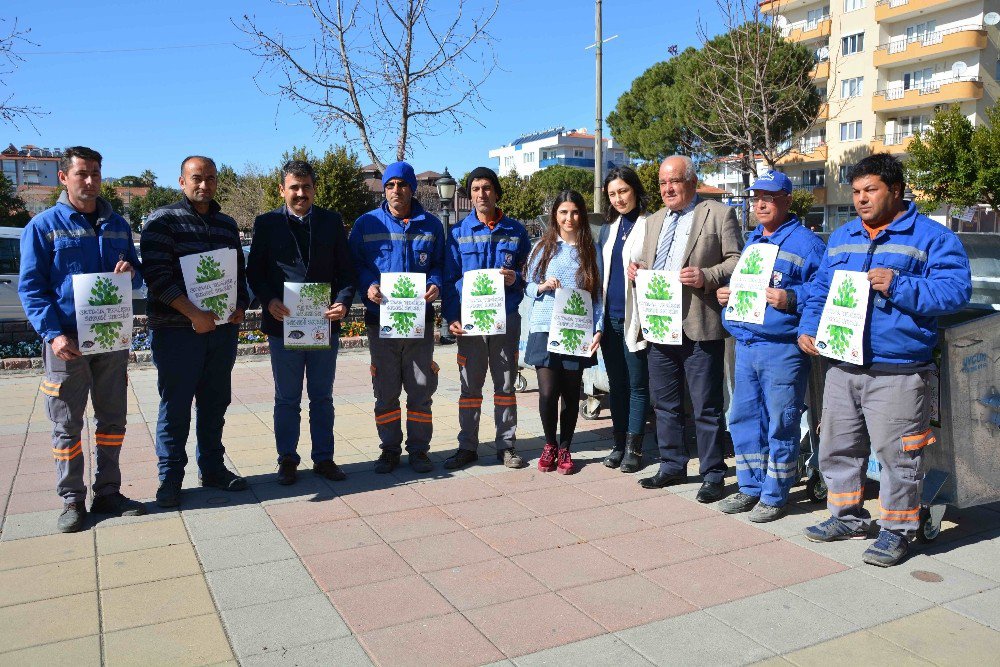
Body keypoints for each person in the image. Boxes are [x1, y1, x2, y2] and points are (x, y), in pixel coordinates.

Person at [798, 153, 971, 566]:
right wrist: (808, 326)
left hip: (898, 369)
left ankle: (898, 531)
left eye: (870, 190)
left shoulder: (932, 237)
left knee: (898, 456)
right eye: (856, 191)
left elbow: (954, 292)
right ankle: (847, 516)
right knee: (837, 446)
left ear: (895, 190)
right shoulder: (841, 238)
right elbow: (821, 290)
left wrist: (900, 285)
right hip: (842, 365)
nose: (861, 199)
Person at [18, 146, 146, 532]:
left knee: (112, 419)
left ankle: (108, 492)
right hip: (67, 342)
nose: (90, 181)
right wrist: (52, 335)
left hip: (110, 337)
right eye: (81, 174)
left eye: (95, 173)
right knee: (66, 423)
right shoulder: (43, 226)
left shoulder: (119, 224)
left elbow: (137, 277)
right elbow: (32, 288)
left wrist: (129, 272)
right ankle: (72, 499)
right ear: (63, 177)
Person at [628, 155, 743, 502]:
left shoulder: (719, 214)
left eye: (674, 181)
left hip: (699, 324)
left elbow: (737, 260)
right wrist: (637, 270)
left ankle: (712, 473)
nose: (667, 189)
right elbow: (652, 264)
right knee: (664, 403)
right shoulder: (652, 222)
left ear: (692, 182)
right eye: (662, 183)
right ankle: (672, 464)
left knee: (706, 405)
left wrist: (707, 276)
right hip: (660, 325)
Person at [141, 156, 250, 508]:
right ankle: (170, 479)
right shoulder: (163, 221)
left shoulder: (226, 224)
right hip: (177, 332)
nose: (205, 185)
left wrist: (240, 306)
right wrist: (193, 313)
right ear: (181, 181)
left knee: (215, 402)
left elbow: (238, 273)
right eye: (197, 178)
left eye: (211, 179)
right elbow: (157, 277)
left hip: (220, 332)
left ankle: (213, 469)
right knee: (175, 407)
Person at [716, 170, 825, 522]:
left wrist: (791, 297)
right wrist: (728, 295)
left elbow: (825, 291)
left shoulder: (808, 245)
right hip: (746, 344)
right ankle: (750, 487)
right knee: (744, 418)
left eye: (770, 197)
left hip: (782, 349)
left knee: (782, 422)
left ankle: (776, 494)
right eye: (755, 197)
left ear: (787, 200)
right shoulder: (753, 241)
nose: (760, 203)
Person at [246, 160, 356, 486]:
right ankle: (287, 460)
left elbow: (347, 272)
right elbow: (255, 272)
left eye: (306, 187)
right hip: (284, 324)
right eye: (293, 187)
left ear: (314, 189)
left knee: (322, 397)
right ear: (282, 190)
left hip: (324, 323)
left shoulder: (332, 222)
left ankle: (324, 458)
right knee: (287, 398)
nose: (300, 193)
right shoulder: (266, 224)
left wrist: (344, 302)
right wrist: (268, 300)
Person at [349, 161, 445, 474]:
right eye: (390, 185)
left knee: (420, 391)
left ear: (412, 188)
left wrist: (435, 283)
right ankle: (389, 450)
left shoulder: (431, 226)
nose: (395, 190)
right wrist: (368, 285)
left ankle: (419, 451)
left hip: (419, 324)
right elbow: (355, 265)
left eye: (401, 185)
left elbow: (442, 265)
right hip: (381, 323)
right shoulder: (366, 224)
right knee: (386, 392)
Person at [441, 167, 530, 470]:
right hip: (470, 326)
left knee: (505, 387)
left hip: (505, 321)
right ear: (470, 194)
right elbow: (450, 279)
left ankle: (506, 446)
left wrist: (514, 277)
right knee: (470, 389)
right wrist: (451, 317)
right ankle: (467, 447)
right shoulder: (456, 234)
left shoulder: (516, 231)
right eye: (476, 189)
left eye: (487, 188)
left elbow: (530, 275)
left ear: (496, 192)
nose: (482, 194)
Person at [524, 190, 603, 475]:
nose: (569, 218)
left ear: (581, 214)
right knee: (547, 392)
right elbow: (528, 286)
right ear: (554, 216)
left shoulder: (590, 251)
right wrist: (542, 286)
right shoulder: (542, 249)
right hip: (545, 328)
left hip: (576, 330)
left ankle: (566, 447)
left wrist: (598, 328)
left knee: (571, 392)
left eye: (574, 212)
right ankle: (549, 445)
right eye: (563, 212)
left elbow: (598, 296)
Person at [596, 166, 651, 473]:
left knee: (637, 385)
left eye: (623, 191)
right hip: (610, 317)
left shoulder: (650, 224)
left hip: (636, 318)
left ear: (635, 190)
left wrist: (643, 269)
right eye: (612, 194)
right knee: (616, 384)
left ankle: (635, 448)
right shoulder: (609, 228)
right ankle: (618, 444)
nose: (618, 199)